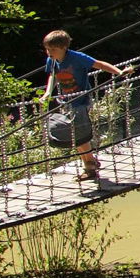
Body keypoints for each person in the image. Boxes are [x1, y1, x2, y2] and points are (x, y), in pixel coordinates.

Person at [40, 30, 131, 181]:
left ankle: (90, 166)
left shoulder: (76, 58)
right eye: (47, 49)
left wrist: (119, 72)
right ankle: (90, 163)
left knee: (79, 134)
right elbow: (53, 76)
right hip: (66, 101)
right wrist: (47, 93)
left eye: (52, 50)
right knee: (75, 134)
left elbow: (99, 64)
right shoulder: (52, 60)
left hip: (81, 100)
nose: (49, 53)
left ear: (63, 47)